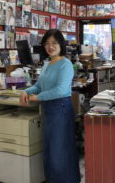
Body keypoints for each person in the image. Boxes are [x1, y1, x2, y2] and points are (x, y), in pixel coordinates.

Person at [19, 29, 81, 183]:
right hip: (48, 110)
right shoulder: (47, 63)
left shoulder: (65, 64)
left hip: (61, 110)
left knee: (59, 152)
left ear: (61, 44)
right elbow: (39, 85)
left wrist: (38, 97)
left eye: (54, 43)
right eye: (47, 43)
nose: (50, 46)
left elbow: (60, 90)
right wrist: (26, 91)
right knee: (49, 151)